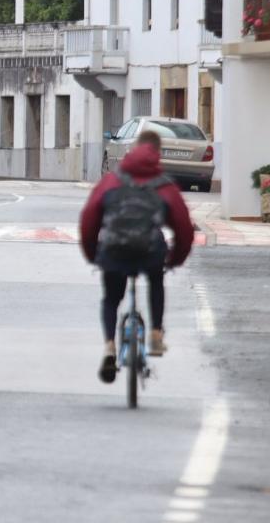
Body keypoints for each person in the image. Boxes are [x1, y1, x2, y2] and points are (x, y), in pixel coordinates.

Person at [79, 129, 194, 384]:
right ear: (158, 154)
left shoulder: (111, 181)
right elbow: (184, 228)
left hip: (113, 251)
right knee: (156, 281)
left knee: (111, 298)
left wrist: (93, 254)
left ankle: (109, 345)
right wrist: (174, 260)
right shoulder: (164, 185)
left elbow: (89, 220)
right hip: (149, 253)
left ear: (132, 150)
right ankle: (155, 333)